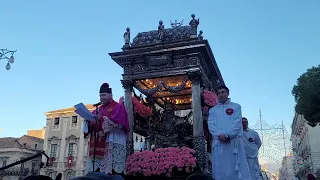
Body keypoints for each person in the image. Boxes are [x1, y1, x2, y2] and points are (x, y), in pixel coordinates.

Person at [83, 83, 129, 175]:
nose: (101, 98)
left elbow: (119, 122)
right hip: (97, 146)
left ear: (111, 95)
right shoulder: (98, 109)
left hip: (112, 141)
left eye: (104, 95)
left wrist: (102, 118)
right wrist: (87, 121)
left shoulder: (118, 107)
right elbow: (89, 126)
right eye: (100, 96)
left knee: (112, 172)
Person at [208, 85, 251, 180]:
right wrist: (220, 135)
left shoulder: (236, 107)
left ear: (228, 93)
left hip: (233, 142)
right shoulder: (213, 110)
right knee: (220, 168)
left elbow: (237, 122)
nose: (221, 95)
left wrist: (228, 135)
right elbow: (211, 125)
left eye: (223, 92)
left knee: (235, 168)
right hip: (219, 143)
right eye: (219, 93)